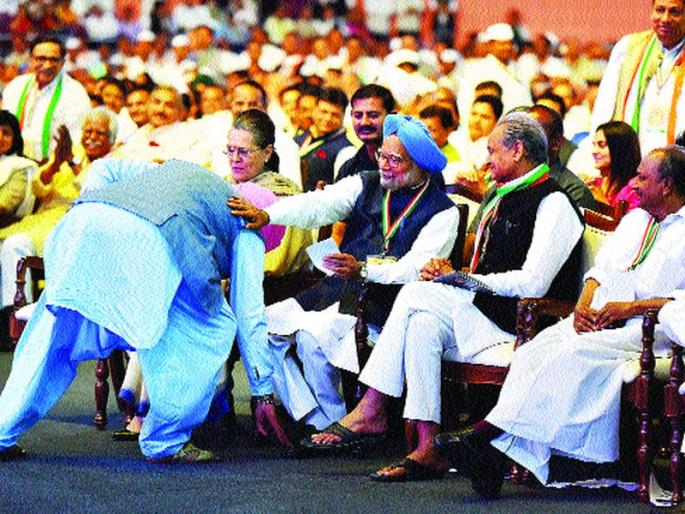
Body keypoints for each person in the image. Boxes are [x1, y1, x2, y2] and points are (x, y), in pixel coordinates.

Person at [302, 112, 584, 483]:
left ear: (517, 151)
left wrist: (464, 280)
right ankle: (427, 445)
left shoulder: (554, 202)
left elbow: (534, 284)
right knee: (422, 323)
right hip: (485, 314)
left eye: (492, 150)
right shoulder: (502, 195)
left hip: (525, 323)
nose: (485, 160)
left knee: (416, 293)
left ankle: (372, 407)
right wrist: (451, 274)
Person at [437, 146, 685, 498]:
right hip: (599, 317)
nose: (633, 183)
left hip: (649, 331)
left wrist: (628, 309)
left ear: (667, 185)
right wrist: (582, 306)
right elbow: (600, 272)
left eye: (642, 177)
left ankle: (486, 439)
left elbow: (681, 303)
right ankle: (491, 451)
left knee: (570, 355)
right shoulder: (635, 220)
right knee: (533, 351)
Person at [0, 156, 274, 462]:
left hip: (82, 222)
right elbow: (249, 314)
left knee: (50, 336)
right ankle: (166, 440)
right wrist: (262, 390)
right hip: (150, 240)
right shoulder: (251, 226)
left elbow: (104, 167)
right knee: (215, 326)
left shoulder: (189, 172)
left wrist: (90, 205)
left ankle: (1, 431)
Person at [229, 114, 460, 432]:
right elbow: (318, 204)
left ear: (420, 165)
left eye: (395, 160)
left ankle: (330, 424)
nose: (384, 165)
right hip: (337, 290)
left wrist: (364, 269)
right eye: (383, 156)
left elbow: (416, 268)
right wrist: (268, 215)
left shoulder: (444, 211)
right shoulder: (366, 183)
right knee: (260, 329)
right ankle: (317, 419)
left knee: (310, 341)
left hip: (386, 304)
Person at [0, 107, 117, 311]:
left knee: (15, 245)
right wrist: (57, 163)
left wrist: (70, 162)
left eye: (99, 133)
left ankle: (16, 315)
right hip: (39, 221)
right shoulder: (70, 152)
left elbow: (93, 193)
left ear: (111, 139)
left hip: (71, 228)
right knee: (9, 242)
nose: (92, 137)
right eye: (88, 131)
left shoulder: (114, 163)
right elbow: (37, 187)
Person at [591, 0, 685, 155]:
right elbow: (604, 105)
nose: (665, 19)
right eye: (660, 10)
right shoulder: (629, 47)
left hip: (678, 159)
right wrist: (599, 147)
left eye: (674, 12)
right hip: (632, 156)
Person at [1, 35, 90, 162]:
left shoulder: (75, 93)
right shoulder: (16, 85)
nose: (47, 65)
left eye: (54, 60)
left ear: (63, 63)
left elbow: (76, 143)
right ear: (31, 60)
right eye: (41, 59)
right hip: (11, 163)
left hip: (54, 167)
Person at [335, 84, 396, 182]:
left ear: (393, 117)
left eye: (373, 115)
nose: (364, 122)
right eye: (358, 115)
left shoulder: (409, 162)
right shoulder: (349, 168)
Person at [296, 87, 352, 191]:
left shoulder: (346, 150)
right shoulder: (299, 138)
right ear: (314, 110)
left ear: (343, 116)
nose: (328, 118)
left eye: (335, 115)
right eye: (323, 112)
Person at [587, 121, 641, 209]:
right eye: (594, 145)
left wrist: (601, 200)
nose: (594, 151)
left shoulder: (635, 190)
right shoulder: (596, 183)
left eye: (602, 145)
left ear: (620, 148)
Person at [0, 110, 38, 227]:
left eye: (6, 133)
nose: (0, 137)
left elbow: (6, 205)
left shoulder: (21, 168)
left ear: (15, 139)